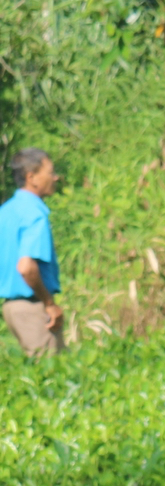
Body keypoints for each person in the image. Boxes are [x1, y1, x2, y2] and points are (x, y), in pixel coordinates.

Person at [1, 148, 64, 357]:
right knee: (52, 376)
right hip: (32, 307)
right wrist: (49, 304)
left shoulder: (7, 211)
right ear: (32, 177)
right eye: (50, 172)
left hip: (11, 309)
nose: (55, 177)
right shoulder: (35, 214)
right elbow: (26, 267)